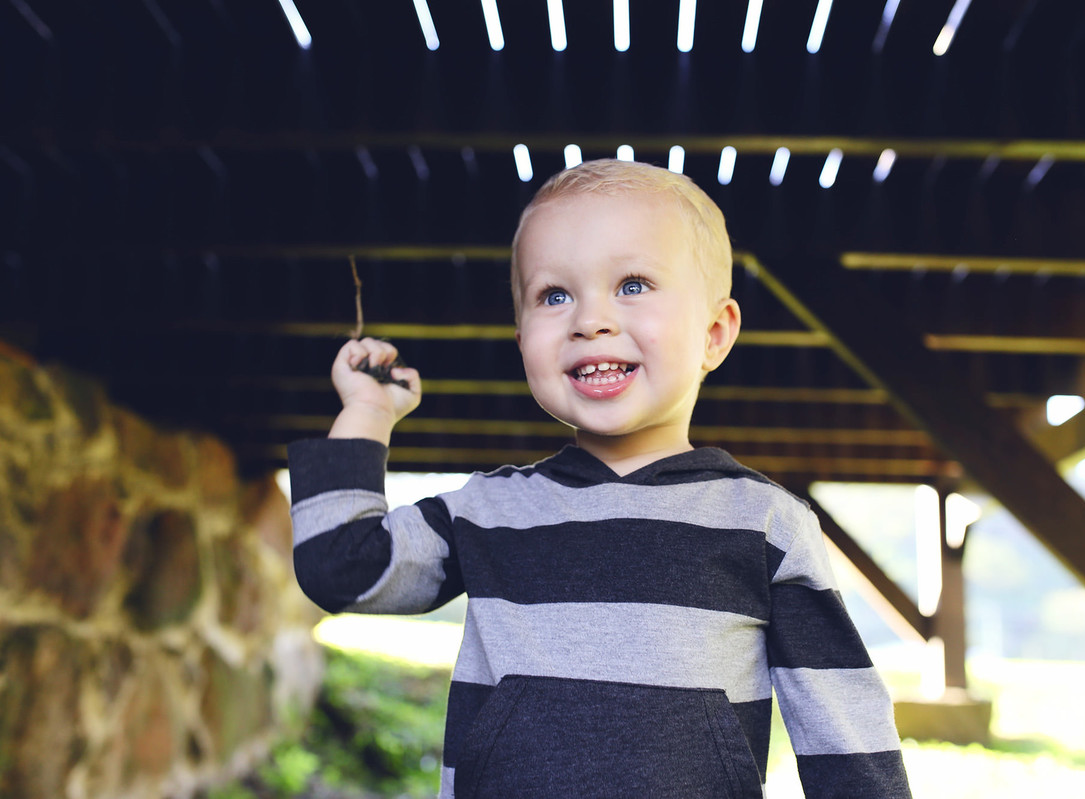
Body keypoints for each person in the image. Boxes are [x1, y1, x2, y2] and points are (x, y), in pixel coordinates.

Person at [287, 159, 912, 798]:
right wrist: (367, 414)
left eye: (634, 284)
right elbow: (342, 568)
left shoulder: (766, 526)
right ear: (522, 337)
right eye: (554, 295)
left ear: (715, 333)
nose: (590, 319)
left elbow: (847, 733)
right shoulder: (488, 512)